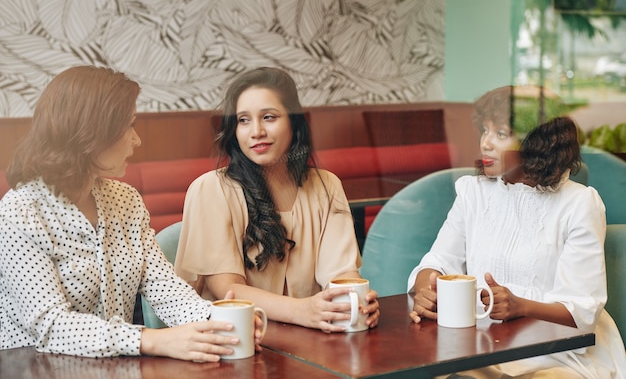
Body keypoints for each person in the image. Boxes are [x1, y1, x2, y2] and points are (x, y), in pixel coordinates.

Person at [0, 65, 263, 361]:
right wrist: (150, 340)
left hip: (113, 366)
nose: (136, 140)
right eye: (128, 126)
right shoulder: (20, 212)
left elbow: (164, 288)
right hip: (30, 367)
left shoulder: (125, 200)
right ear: (91, 133)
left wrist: (218, 321)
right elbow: (50, 326)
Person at [407, 86, 626, 378]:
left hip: (556, 354)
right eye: (484, 131)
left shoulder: (579, 204)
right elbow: (436, 262)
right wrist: (425, 290)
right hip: (478, 348)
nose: (485, 143)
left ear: (536, 144)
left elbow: (582, 312)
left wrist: (521, 306)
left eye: (500, 134)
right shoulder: (473, 192)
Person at [174, 67, 380, 333]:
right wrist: (303, 311)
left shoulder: (327, 186)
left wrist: (356, 302)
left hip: (313, 340)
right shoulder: (212, 189)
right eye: (243, 120)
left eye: (269, 117)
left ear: (294, 122)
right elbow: (226, 289)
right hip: (236, 342)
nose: (256, 131)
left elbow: (340, 275)